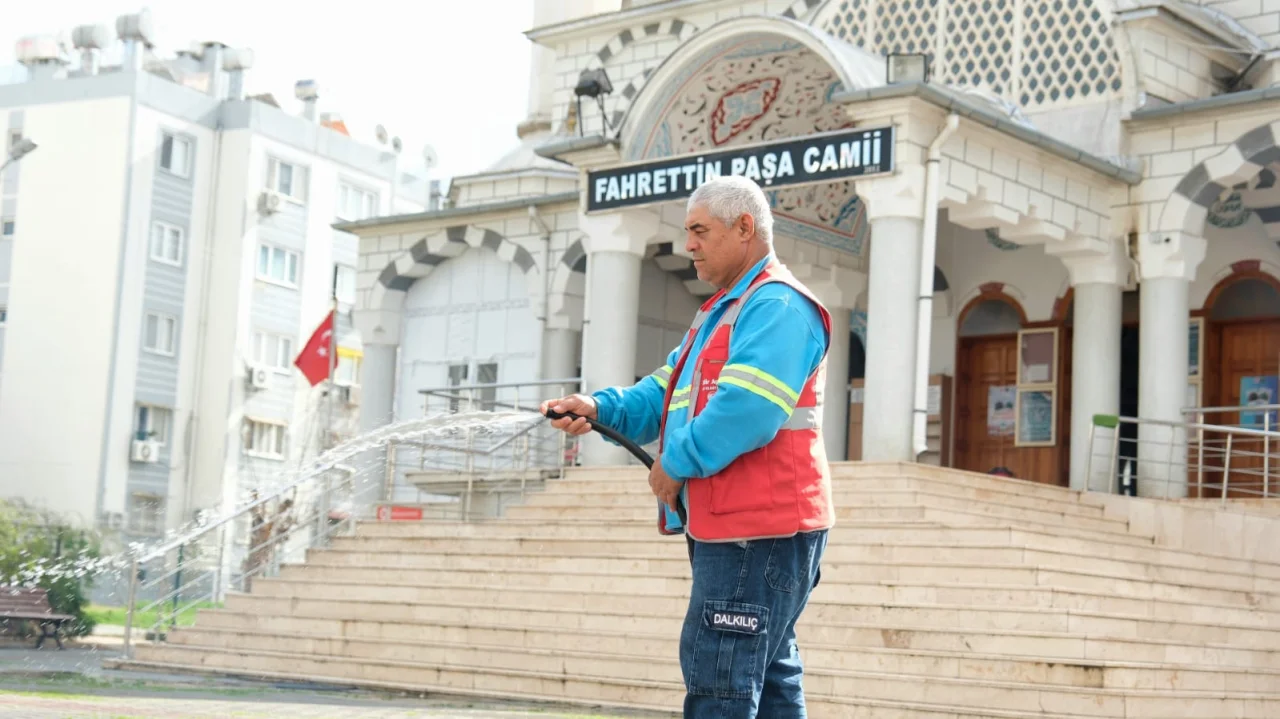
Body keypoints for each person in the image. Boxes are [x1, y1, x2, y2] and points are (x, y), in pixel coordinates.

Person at [541, 174, 834, 718]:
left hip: (759, 530)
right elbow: (666, 388)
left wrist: (674, 462)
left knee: (720, 679)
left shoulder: (778, 306)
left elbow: (748, 409)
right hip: (745, 525)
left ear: (744, 227)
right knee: (766, 679)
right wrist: (601, 409)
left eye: (699, 230)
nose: (688, 245)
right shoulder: (725, 309)